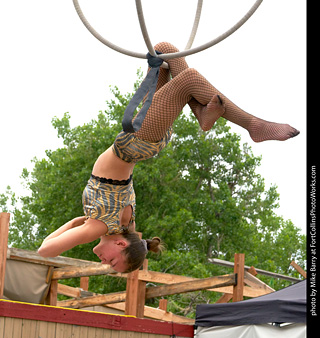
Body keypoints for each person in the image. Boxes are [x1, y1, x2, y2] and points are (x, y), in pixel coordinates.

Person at [38, 42, 299, 273]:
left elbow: (51, 248)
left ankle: (201, 113)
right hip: (139, 141)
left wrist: (76, 222)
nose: (105, 263)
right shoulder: (99, 228)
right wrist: (74, 225)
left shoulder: (121, 226)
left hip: (147, 142)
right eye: (113, 263)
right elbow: (44, 251)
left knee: (165, 50)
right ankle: (252, 125)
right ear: (120, 244)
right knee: (189, 80)